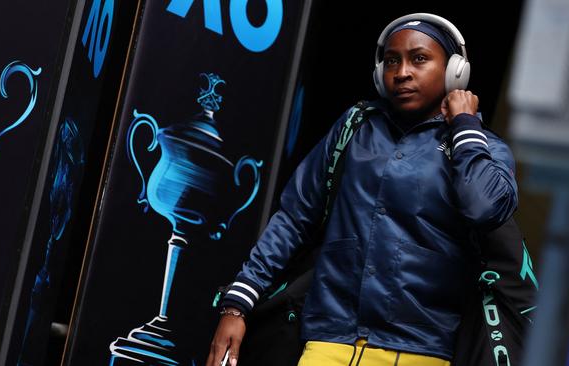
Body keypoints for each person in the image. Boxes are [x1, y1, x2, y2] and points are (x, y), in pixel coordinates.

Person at [206, 13, 518, 366]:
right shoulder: (356, 127)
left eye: (419, 59)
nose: (402, 72)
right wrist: (237, 305)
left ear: (454, 71)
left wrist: (464, 126)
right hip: (328, 341)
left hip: (421, 351)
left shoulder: (479, 145)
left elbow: (486, 207)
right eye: (391, 61)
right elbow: (293, 219)